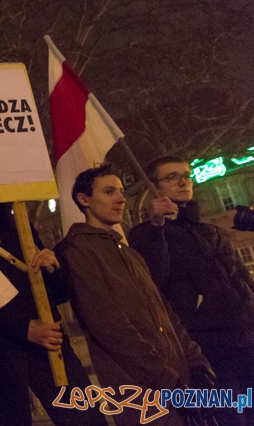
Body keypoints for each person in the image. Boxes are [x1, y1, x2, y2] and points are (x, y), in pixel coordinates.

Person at [55, 164, 214, 426]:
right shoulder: (78, 250)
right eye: (109, 192)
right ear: (84, 199)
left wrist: (197, 364)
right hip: (142, 393)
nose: (120, 198)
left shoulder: (129, 253)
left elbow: (166, 313)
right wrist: (167, 380)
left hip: (179, 382)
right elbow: (109, 326)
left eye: (121, 191)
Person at [129, 156, 254, 426]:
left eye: (186, 175)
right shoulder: (145, 234)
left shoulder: (213, 232)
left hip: (246, 337)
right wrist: (156, 225)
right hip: (208, 345)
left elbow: (242, 280)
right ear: (154, 186)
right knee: (230, 417)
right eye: (172, 177)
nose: (183, 181)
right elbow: (154, 280)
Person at [0, 203, 106, 426]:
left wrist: (53, 268)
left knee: (86, 417)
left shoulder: (17, 219)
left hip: (48, 336)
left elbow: (57, 293)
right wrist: (24, 327)